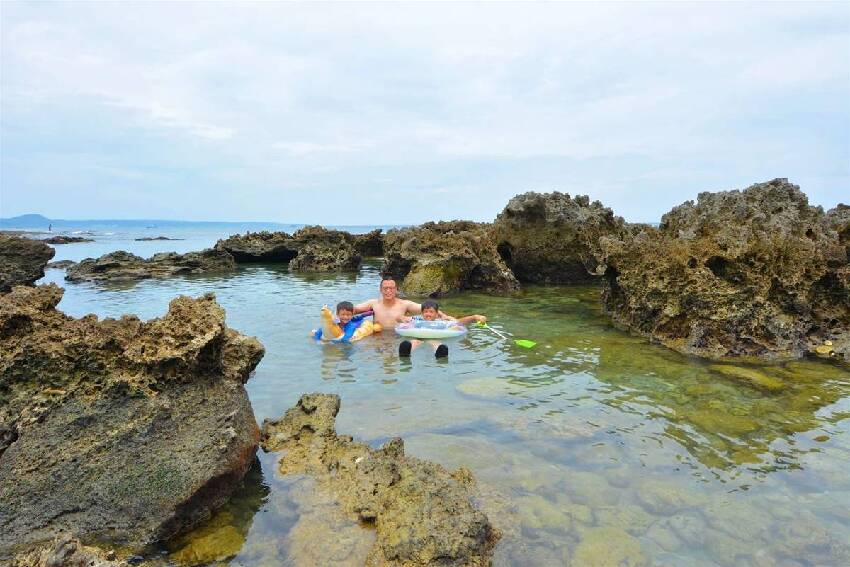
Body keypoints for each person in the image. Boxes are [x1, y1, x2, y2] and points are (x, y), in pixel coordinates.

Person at [398, 299, 486, 358]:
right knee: (415, 342)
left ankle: (440, 353)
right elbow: (399, 318)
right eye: (425, 312)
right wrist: (402, 319)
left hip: (435, 335)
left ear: (436, 314)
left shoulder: (441, 321)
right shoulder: (417, 319)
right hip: (419, 335)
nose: (428, 314)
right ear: (422, 313)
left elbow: (459, 322)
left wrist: (474, 317)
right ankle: (406, 352)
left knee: (435, 343)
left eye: (431, 312)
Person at [354, 278, 431, 329]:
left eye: (391, 288)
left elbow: (428, 308)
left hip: (397, 337)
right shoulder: (373, 304)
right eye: (385, 288)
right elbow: (354, 309)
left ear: (396, 289)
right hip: (378, 338)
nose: (388, 291)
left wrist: (441, 314)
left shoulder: (405, 304)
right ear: (381, 290)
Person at [311, 301, 381, 343]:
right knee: (353, 319)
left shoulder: (351, 325)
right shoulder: (336, 320)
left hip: (359, 323)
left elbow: (346, 337)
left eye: (348, 315)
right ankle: (364, 315)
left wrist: (340, 341)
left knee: (355, 319)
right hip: (351, 320)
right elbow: (323, 328)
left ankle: (364, 315)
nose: (346, 317)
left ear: (352, 314)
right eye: (343, 314)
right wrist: (318, 339)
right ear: (338, 314)